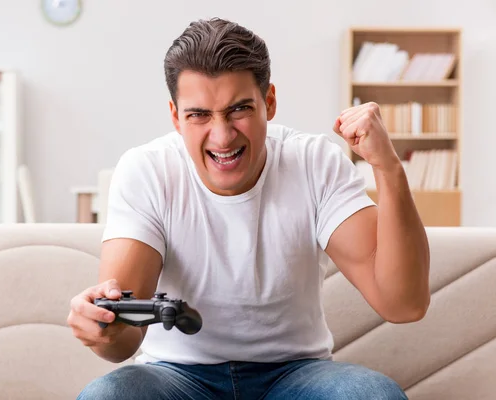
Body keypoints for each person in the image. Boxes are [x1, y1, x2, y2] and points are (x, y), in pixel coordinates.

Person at [68, 17, 430, 400]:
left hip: (297, 374)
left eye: (239, 109)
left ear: (268, 103)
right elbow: (121, 344)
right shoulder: (147, 171)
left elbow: (403, 304)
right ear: (176, 116)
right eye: (199, 115)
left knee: (374, 396)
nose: (222, 136)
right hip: (177, 377)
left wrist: (388, 168)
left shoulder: (314, 163)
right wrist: (102, 329)